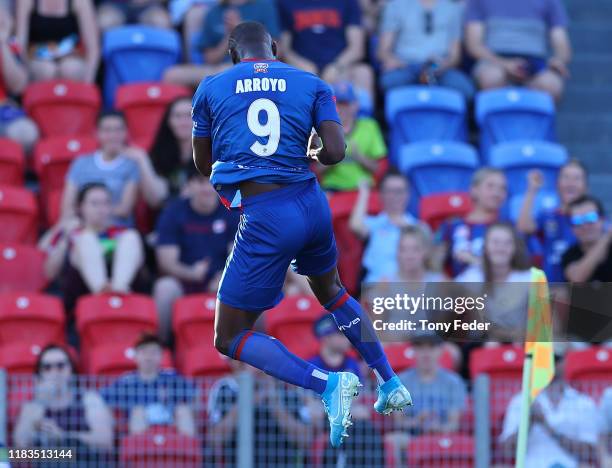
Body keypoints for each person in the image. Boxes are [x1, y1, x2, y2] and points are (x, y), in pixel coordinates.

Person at [191, 21, 412, 447]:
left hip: (266, 213)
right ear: (275, 48)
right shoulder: (310, 82)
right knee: (333, 291)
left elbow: (203, 164)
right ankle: (389, 381)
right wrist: (306, 148)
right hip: (312, 204)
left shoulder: (213, 86)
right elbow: (335, 152)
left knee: (229, 336)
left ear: (235, 53)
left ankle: (327, 384)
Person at [153, 168, 239, 344]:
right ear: (189, 186)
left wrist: (223, 278)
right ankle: (162, 346)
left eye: (212, 182)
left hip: (220, 280)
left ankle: (243, 350)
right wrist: (191, 273)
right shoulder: (174, 212)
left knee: (253, 287)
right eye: (200, 182)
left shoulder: (231, 212)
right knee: (164, 288)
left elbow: (238, 256)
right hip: (183, 281)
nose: (207, 188)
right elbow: (166, 261)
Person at [39, 183, 145, 312]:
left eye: (106, 203)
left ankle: (117, 289)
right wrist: (64, 236)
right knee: (86, 239)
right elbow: (49, 273)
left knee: (132, 236)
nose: (101, 209)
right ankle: (101, 291)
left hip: (125, 296)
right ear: (80, 207)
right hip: (80, 296)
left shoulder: (122, 234)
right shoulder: (71, 232)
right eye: (94, 203)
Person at [13, 344, 113, 465]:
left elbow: (106, 442)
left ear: (71, 369)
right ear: (40, 373)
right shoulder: (32, 406)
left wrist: (63, 438)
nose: (54, 372)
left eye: (60, 366)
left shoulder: (89, 399)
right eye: (47, 367)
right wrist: (40, 405)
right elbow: (18, 453)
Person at [307, 314, 385, 467]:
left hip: (343, 419)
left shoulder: (352, 364)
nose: (347, 338)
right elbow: (310, 405)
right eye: (341, 333)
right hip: (321, 421)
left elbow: (355, 402)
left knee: (364, 427)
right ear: (326, 337)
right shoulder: (312, 364)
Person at [206, 357, 312, 467]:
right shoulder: (225, 388)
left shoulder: (287, 388)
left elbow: (305, 440)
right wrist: (244, 403)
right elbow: (214, 440)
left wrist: (275, 406)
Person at [499, 353, 598, 467]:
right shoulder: (521, 400)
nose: (552, 364)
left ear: (565, 362)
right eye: (547, 360)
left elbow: (590, 451)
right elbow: (506, 450)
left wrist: (547, 427)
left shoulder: (583, 402)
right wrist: (528, 422)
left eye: (556, 360)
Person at [464, 0, 572, 102]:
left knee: (551, 85)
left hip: (535, 63)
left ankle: (534, 121)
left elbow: (561, 41)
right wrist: (504, 64)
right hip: (493, 61)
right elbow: (474, 45)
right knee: (491, 77)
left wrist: (559, 60)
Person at [385, 332, 467, 465]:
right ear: (413, 351)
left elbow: (454, 424)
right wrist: (417, 422)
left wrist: (438, 427)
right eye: (421, 347)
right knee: (392, 440)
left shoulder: (453, 381)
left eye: (431, 347)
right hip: (413, 435)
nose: (426, 353)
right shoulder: (400, 381)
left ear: (440, 350)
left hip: (443, 435)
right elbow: (398, 422)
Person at [163, 0, 281, 88]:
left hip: (256, 66)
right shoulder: (214, 12)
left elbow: (275, 51)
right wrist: (229, 36)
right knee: (171, 75)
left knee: (227, 71)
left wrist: (241, 29)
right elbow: (209, 59)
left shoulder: (264, 7)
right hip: (217, 68)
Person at [101, 333, 197, 437]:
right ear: (135, 355)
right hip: (138, 427)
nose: (148, 356)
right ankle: (137, 451)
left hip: (170, 424)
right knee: (138, 412)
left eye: (153, 352)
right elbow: (103, 398)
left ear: (161, 355)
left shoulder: (172, 379)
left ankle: (187, 450)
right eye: (144, 352)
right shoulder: (126, 382)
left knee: (183, 410)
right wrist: (115, 422)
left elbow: (195, 394)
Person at [377, 0, 475, 100]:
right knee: (391, 82)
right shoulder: (396, 5)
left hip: (438, 65)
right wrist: (395, 61)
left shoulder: (453, 8)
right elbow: (382, 51)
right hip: (406, 65)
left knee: (464, 89)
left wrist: (442, 65)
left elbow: (455, 56)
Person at [278, 0, 374, 100]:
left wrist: (336, 67)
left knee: (363, 73)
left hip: (341, 67)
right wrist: (304, 68)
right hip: (302, 68)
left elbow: (356, 48)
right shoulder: (285, 3)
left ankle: (362, 115)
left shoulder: (348, 2)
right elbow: (284, 49)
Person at [60, 111, 140, 226]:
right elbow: (67, 206)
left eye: (118, 130)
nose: (113, 136)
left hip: (116, 229)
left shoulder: (132, 164)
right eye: (107, 130)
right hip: (83, 227)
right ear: (96, 133)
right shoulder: (81, 163)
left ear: (126, 132)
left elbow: (124, 209)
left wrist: (92, 211)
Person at [455, 222, 532, 342]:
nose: (501, 248)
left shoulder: (529, 278)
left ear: (515, 248)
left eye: (507, 243)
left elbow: (543, 322)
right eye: (495, 242)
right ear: (485, 247)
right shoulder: (471, 277)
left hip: (523, 341)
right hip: (482, 341)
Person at [517, 160, 589, 282]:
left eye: (577, 178)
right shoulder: (548, 216)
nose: (571, 183)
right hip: (551, 289)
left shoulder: (593, 220)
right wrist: (532, 190)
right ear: (557, 184)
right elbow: (523, 227)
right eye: (566, 177)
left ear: (586, 187)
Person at [350, 172, 424, 282]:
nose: (394, 196)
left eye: (399, 191)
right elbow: (355, 225)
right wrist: (364, 192)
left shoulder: (418, 227)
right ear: (381, 194)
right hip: (376, 288)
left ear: (407, 194)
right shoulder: (374, 224)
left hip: (408, 290)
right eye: (389, 191)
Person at [437, 167, 508, 277]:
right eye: (490, 186)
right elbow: (435, 264)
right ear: (474, 190)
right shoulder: (452, 225)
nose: (497, 193)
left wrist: (473, 260)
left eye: (502, 188)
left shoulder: (507, 228)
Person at [317, 81, 386, 192]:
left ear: (355, 105)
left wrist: (359, 157)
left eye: (346, 104)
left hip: (363, 189)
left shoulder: (369, 126)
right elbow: (314, 171)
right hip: (333, 190)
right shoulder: (322, 128)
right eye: (339, 104)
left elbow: (380, 169)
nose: (343, 109)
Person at [561, 196, 612, 343]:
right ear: (572, 228)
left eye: (590, 218)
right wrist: (606, 237)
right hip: (579, 337)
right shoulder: (569, 254)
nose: (585, 225)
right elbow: (577, 277)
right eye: (577, 221)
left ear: (602, 219)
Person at [15, 0, 100, 83]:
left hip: (71, 58)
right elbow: (20, 44)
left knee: (70, 69)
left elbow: (93, 49)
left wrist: (88, 84)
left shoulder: (80, 2)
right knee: (46, 70)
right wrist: (22, 77)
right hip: (36, 57)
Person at [0, 7, 39, 152]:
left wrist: (2, 43)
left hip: (2, 111)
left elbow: (19, 86)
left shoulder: (10, 45)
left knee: (26, 132)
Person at [148, 96, 196, 205]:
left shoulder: (215, 152)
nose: (183, 122)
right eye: (177, 116)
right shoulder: (157, 153)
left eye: (189, 116)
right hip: (167, 214)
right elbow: (156, 200)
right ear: (168, 121)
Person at [96, 0, 171, 31]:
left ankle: (158, 61)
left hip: (150, 5)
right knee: (105, 22)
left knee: (160, 21)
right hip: (115, 4)